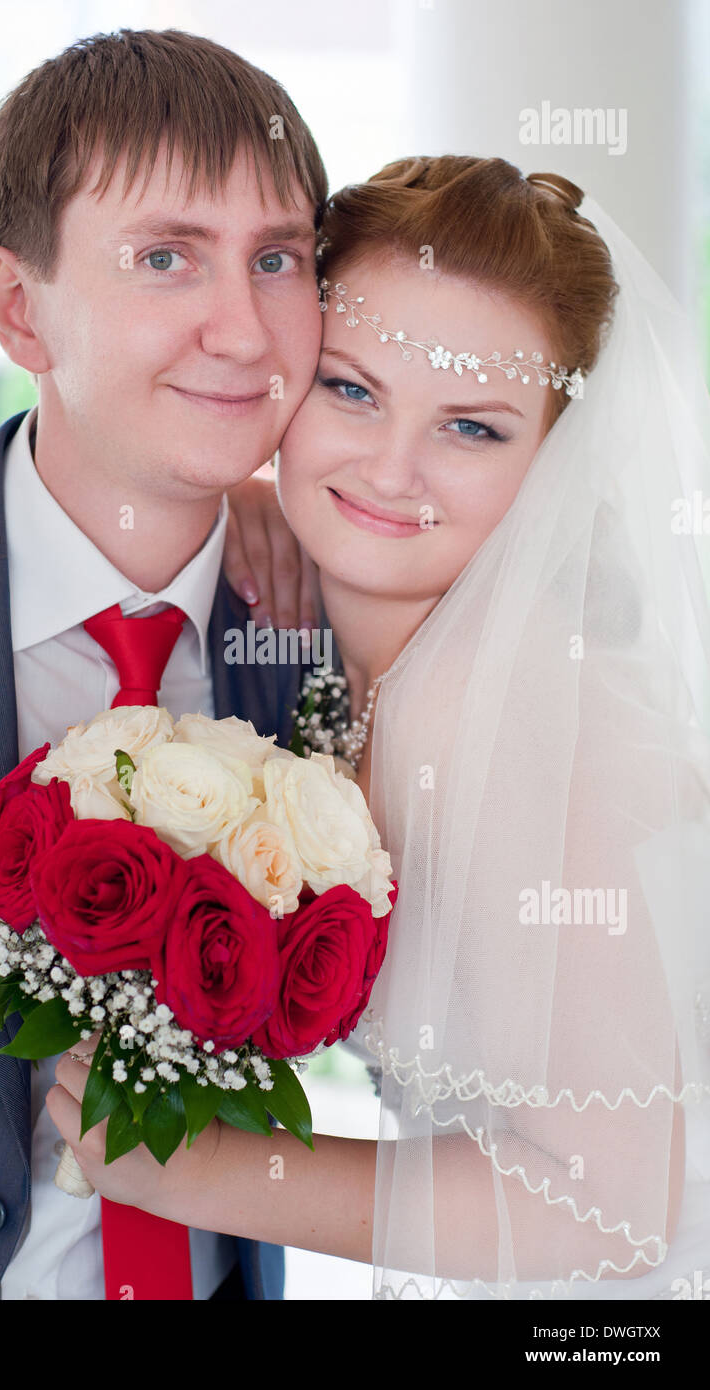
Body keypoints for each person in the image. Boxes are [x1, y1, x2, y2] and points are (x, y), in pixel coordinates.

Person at [50, 155, 710, 1300]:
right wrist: (237, 494)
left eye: (472, 428)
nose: (388, 469)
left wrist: (198, 1171)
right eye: (349, 391)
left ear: (552, 461)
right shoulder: (359, 658)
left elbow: (608, 1206)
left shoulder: (493, 707)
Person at [0, 27, 330, 1301]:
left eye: (276, 258)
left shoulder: (329, 617)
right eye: (165, 257)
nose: (243, 330)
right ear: (21, 309)